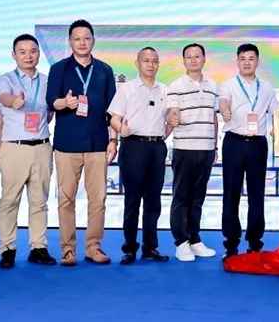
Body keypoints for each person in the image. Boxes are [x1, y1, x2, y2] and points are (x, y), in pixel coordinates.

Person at [45, 19, 117, 266]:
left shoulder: (105, 70)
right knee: (66, 200)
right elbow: (51, 102)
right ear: (70, 42)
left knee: (98, 200)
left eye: (86, 38)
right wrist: (65, 103)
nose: (82, 43)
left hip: (98, 144)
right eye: (77, 38)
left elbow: (113, 110)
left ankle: (94, 247)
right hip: (67, 145)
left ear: (93, 40)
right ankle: (68, 249)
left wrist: (113, 139)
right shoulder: (59, 69)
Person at [0, 34, 56, 269]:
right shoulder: (5, 80)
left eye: (33, 51)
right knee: (10, 200)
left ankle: (38, 247)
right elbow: (3, 98)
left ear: (38, 54)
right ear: (14, 55)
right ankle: (7, 249)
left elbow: (49, 112)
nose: (28, 56)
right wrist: (14, 102)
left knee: (40, 201)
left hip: (42, 146)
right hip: (14, 147)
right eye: (22, 52)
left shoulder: (47, 81)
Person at [108, 47, 171, 264]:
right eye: (146, 60)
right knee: (132, 199)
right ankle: (130, 249)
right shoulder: (127, 89)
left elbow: (169, 119)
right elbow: (113, 118)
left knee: (153, 200)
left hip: (157, 147)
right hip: (133, 146)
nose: (151, 64)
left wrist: (167, 129)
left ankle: (150, 248)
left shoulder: (165, 90)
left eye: (154, 61)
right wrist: (121, 130)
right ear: (137, 63)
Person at [218, 43, 279, 258]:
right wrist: (225, 111)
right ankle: (231, 244)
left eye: (251, 59)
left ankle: (255, 242)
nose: (247, 62)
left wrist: (278, 129)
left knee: (256, 194)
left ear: (257, 62)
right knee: (231, 193)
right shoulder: (228, 85)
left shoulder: (267, 87)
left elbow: (277, 113)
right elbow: (223, 102)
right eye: (243, 58)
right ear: (237, 61)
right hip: (234, 142)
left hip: (257, 144)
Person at [166, 43, 219, 262]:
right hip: (184, 148)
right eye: (189, 56)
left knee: (198, 198)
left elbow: (214, 117)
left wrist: (215, 146)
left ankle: (195, 239)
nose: (193, 60)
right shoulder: (175, 86)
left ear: (204, 59)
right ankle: (181, 242)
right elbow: (171, 114)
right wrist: (172, 118)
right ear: (184, 61)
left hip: (206, 149)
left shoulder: (213, 85)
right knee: (181, 197)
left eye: (197, 56)